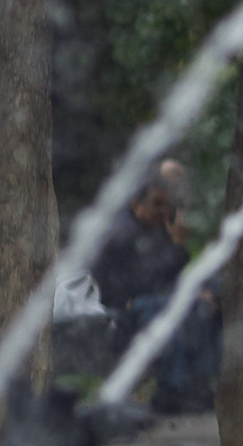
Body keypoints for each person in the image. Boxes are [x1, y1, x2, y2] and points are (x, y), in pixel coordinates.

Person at [90, 175, 218, 414]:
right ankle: (173, 389)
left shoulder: (154, 229)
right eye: (157, 204)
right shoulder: (123, 233)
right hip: (124, 305)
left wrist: (196, 289)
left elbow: (169, 277)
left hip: (150, 299)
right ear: (137, 205)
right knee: (178, 310)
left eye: (166, 205)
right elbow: (147, 278)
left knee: (209, 301)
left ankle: (196, 385)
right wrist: (177, 245)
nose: (163, 211)